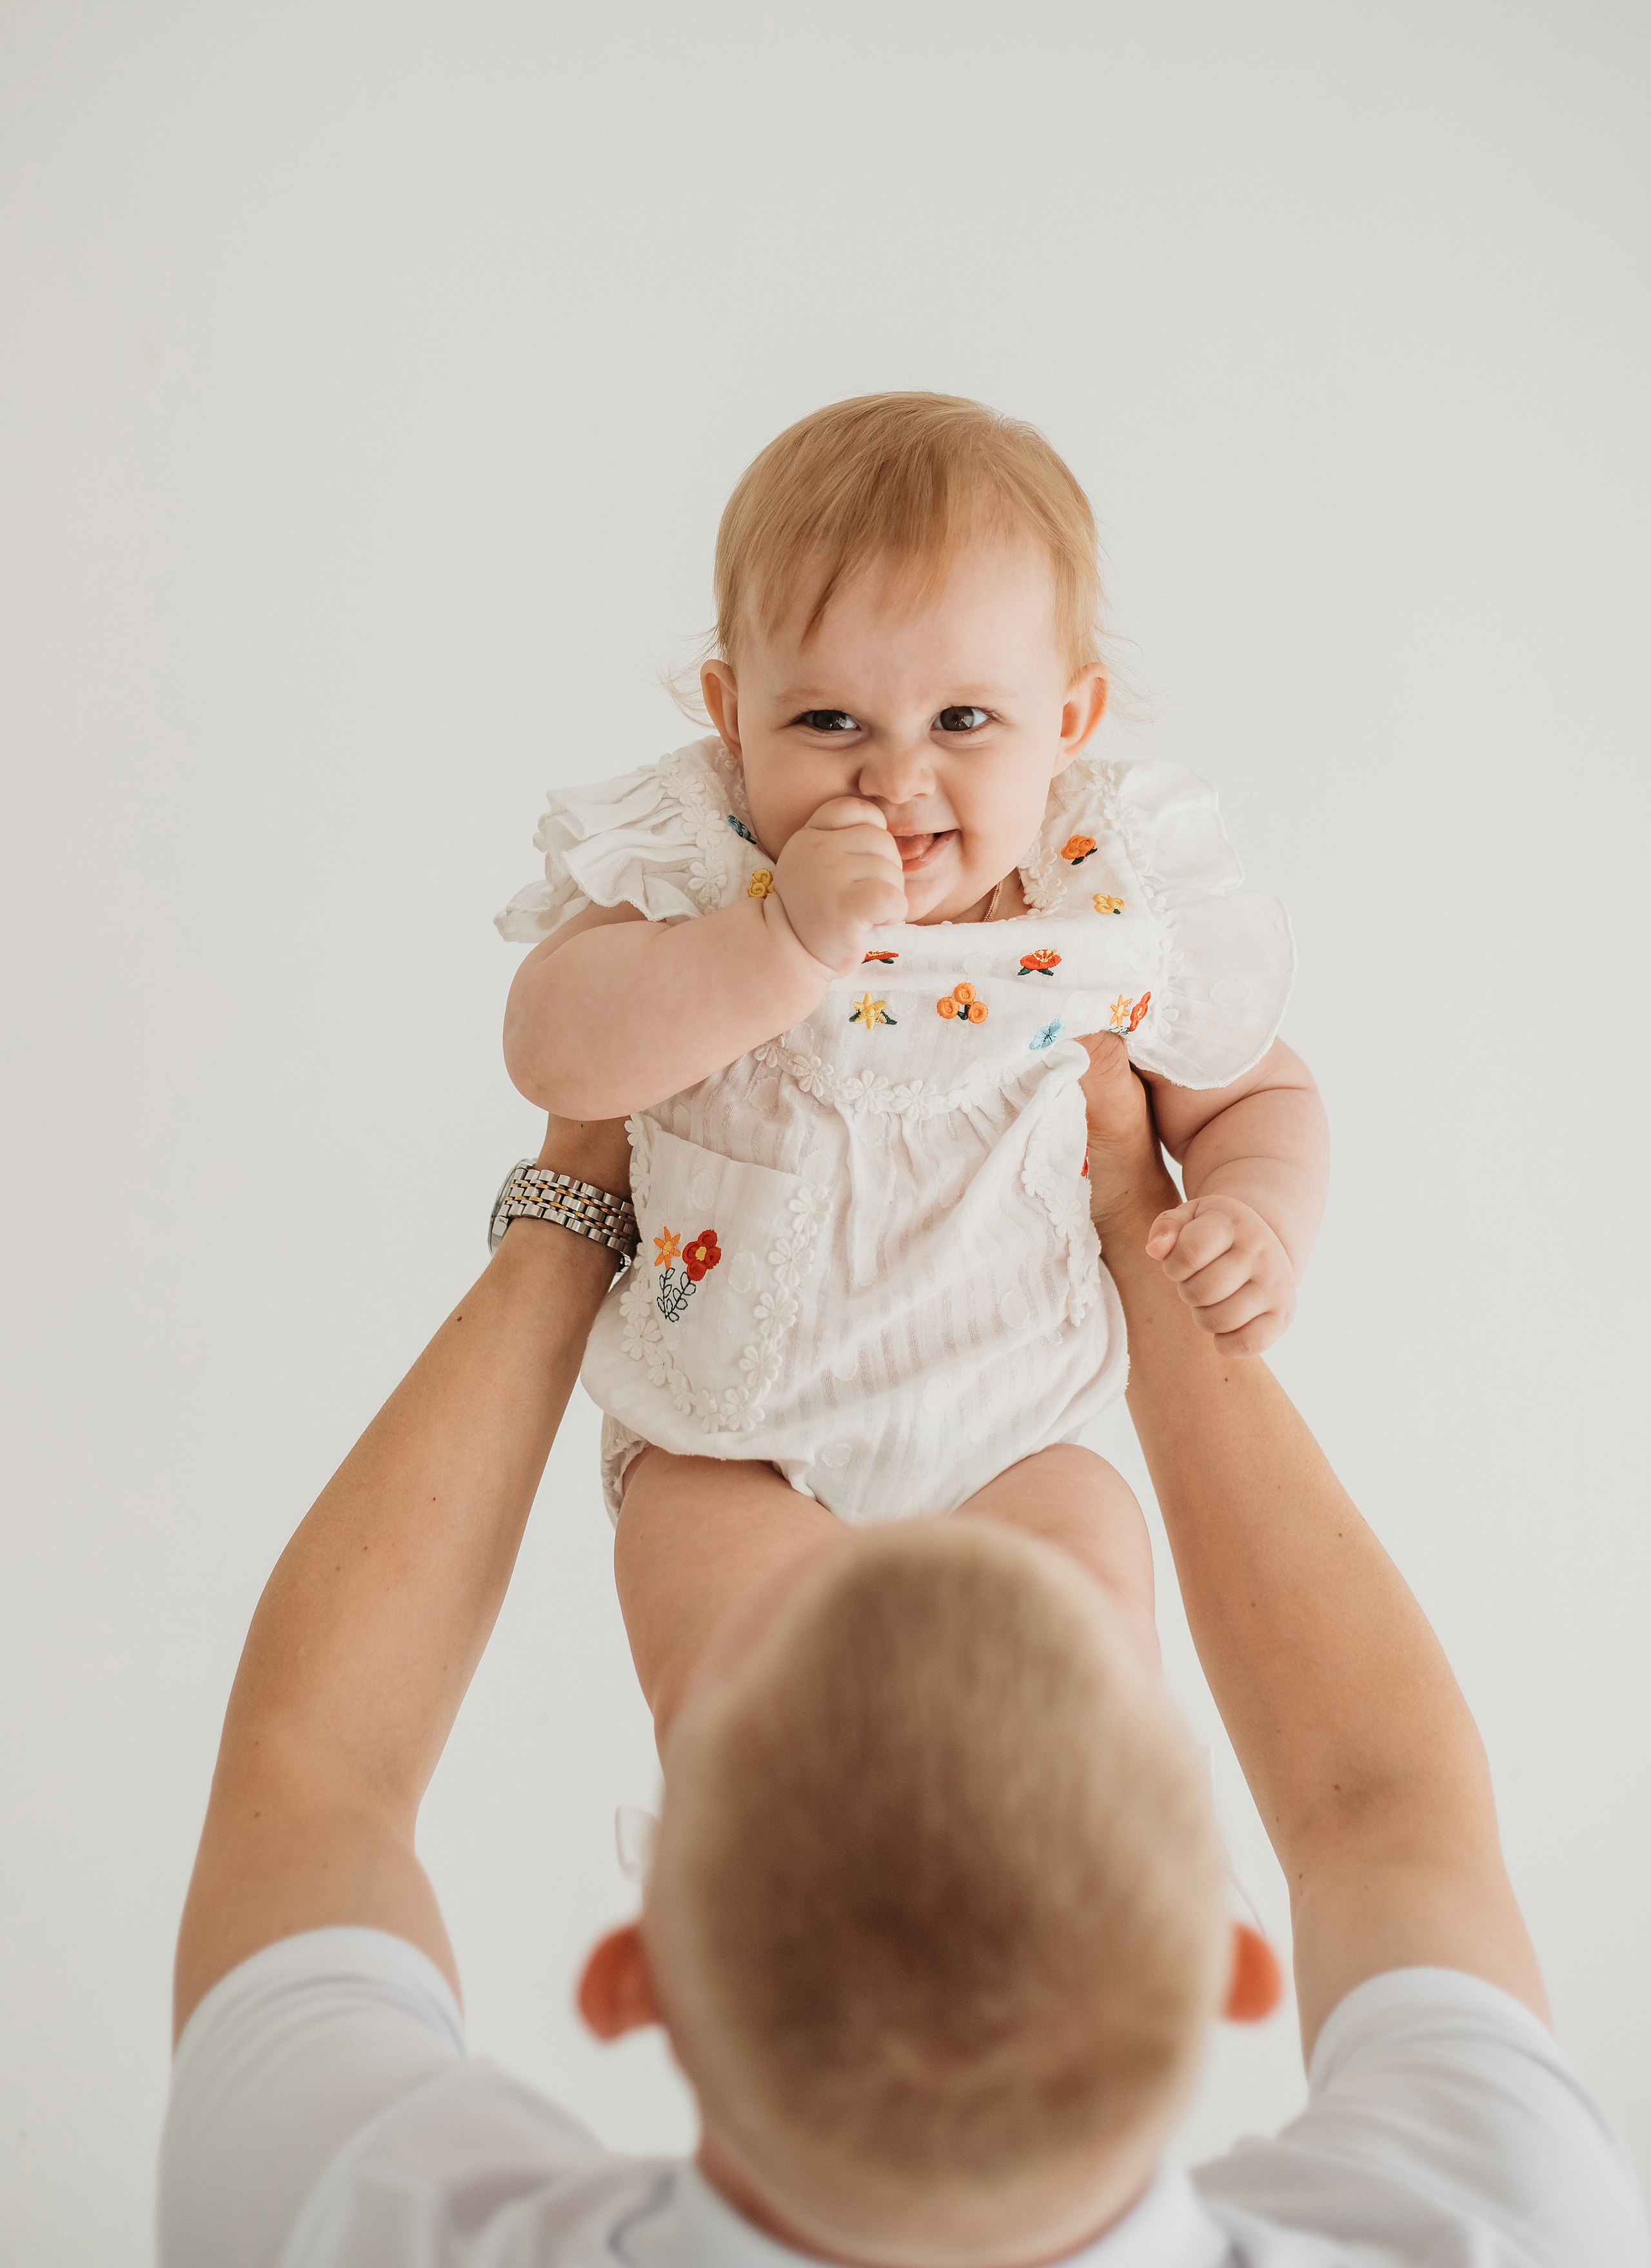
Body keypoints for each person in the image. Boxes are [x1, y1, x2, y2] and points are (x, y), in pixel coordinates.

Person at [160, 1041, 1648, 2267]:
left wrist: (577, 1202)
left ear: (636, 1980)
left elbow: (315, 1777)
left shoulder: (339, 2223)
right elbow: (1377, 1803)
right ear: (1226, 1963)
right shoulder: (1503, 2227)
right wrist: (1137, 1215)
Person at [494, 398, 1330, 1691]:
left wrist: (1253, 1217)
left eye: (960, 722)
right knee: (749, 1701)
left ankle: (1055, 1876)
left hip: (1012, 1444)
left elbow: (1250, 1098)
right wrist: (777, 949)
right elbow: (553, 1051)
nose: (893, 780)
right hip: (729, 1442)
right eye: (828, 724)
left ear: (1066, 720)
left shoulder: (1102, 900)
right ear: (731, 712)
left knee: (1084, 1652)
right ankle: (778, 1878)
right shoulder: (704, 867)